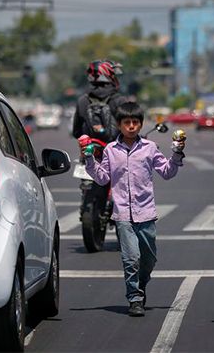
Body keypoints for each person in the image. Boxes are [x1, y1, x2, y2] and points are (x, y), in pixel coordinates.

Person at [79, 102, 186, 317]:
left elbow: (167, 172)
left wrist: (177, 154)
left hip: (146, 212)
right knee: (131, 258)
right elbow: (102, 178)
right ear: (119, 125)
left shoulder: (150, 147)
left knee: (149, 259)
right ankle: (135, 298)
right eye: (126, 123)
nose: (131, 126)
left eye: (135, 122)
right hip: (122, 214)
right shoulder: (111, 150)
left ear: (140, 125)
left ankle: (141, 285)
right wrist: (89, 159)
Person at [72, 60, 126, 143]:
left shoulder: (82, 101)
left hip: (91, 152)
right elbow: (128, 130)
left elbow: (76, 132)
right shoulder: (120, 100)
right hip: (116, 151)